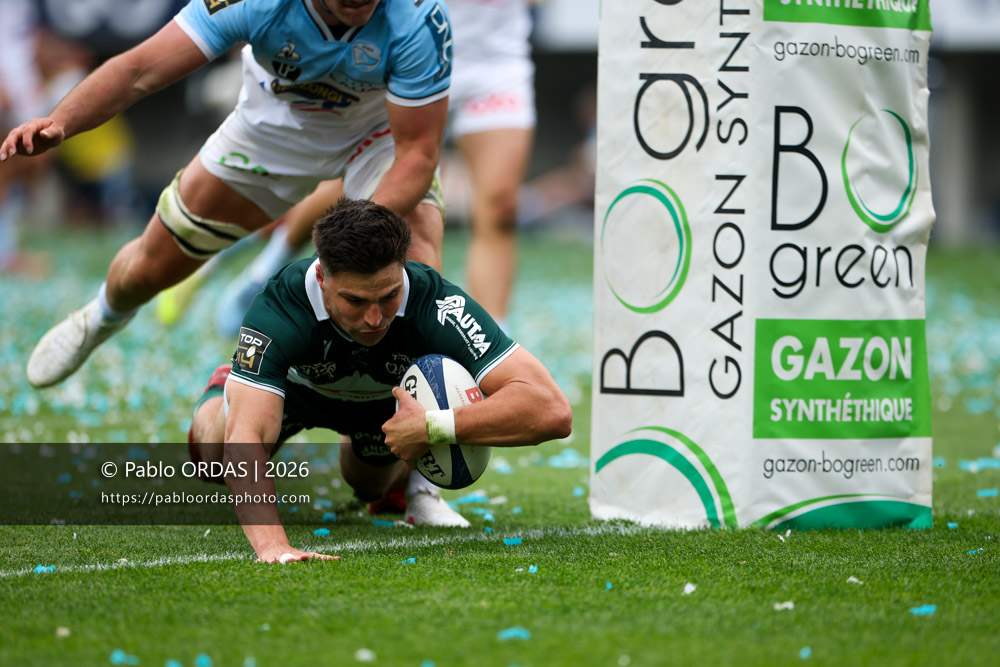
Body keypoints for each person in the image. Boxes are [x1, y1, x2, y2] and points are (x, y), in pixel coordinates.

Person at [1, 0, 453, 388]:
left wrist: (355, 243)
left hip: (377, 133)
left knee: (411, 244)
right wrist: (61, 121)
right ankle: (102, 315)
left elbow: (416, 154)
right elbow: (139, 70)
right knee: (149, 267)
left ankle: (415, 468)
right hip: (274, 125)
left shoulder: (418, 17)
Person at [188, 198, 572, 563]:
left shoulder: (436, 303)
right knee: (214, 463)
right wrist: (274, 546)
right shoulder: (279, 307)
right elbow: (246, 442)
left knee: (370, 488)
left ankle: (391, 470)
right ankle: (232, 383)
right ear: (321, 277)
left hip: (381, 407)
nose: (375, 318)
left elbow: (551, 410)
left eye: (389, 296)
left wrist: (430, 427)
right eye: (355, 301)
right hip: (294, 393)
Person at [194, 0, 536, 336]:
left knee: (501, 206)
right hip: (406, 51)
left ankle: (490, 344)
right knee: (353, 191)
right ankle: (269, 267)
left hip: (497, 67)